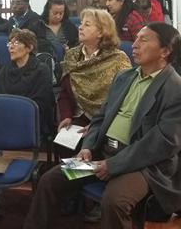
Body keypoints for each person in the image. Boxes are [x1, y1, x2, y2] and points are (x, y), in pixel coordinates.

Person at [23, 22, 181, 229]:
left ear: (165, 51)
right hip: (101, 154)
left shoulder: (174, 88)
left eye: (143, 40)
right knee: (50, 180)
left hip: (141, 165)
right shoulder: (125, 77)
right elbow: (100, 117)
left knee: (114, 201)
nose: (134, 44)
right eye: (136, 38)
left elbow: (162, 143)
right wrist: (88, 147)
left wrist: (114, 165)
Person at [57, 8, 132, 136]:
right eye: (81, 23)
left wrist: (98, 125)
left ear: (101, 32)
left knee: (94, 145)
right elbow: (64, 92)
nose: (80, 27)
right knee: (65, 144)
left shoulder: (118, 59)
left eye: (87, 25)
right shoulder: (71, 56)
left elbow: (124, 99)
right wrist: (66, 116)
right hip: (77, 116)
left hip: (107, 120)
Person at [0, 29, 55, 139]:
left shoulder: (41, 70)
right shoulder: (5, 69)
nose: (10, 47)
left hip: (31, 121)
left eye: (15, 43)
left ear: (29, 48)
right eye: (9, 43)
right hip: (6, 118)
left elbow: (42, 103)